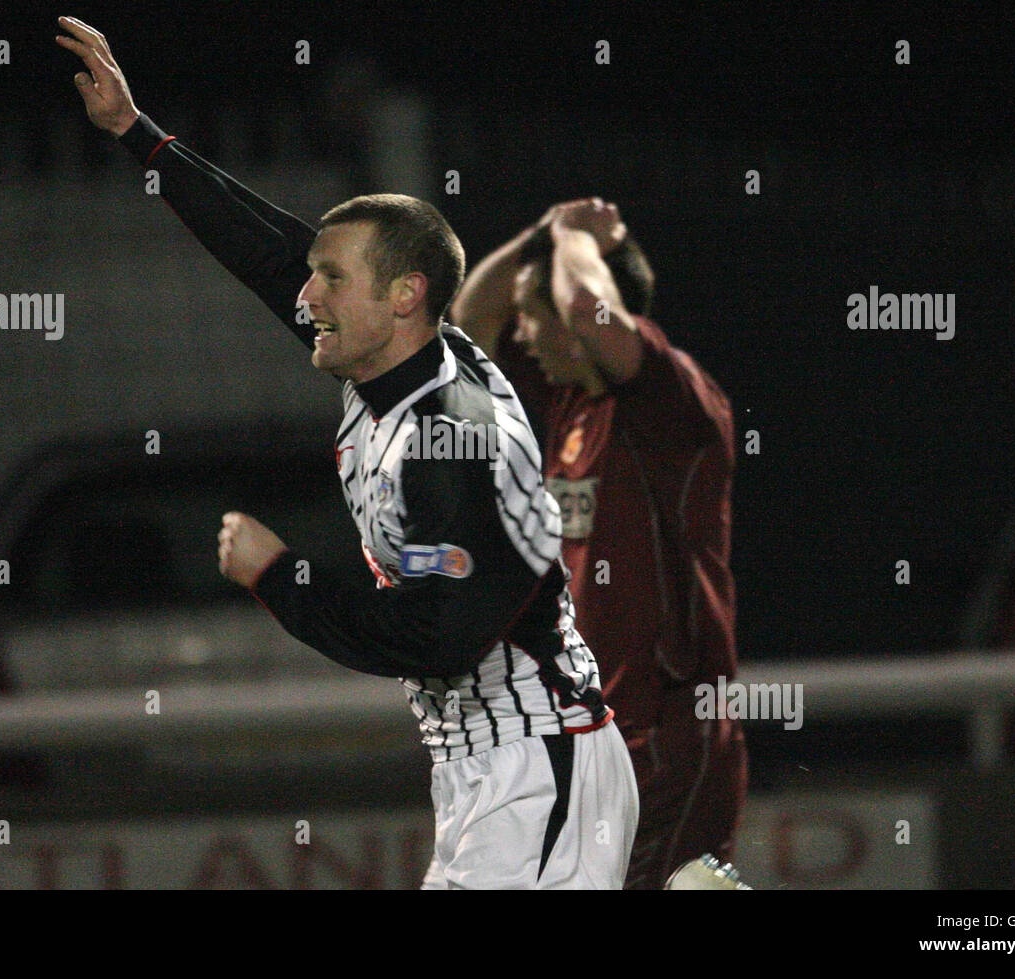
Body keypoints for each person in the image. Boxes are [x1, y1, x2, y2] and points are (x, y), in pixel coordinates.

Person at [56, 16, 637, 889]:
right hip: (489, 766)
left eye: (332, 278)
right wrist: (138, 135)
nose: (305, 292)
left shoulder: (452, 439)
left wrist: (280, 577)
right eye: (314, 273)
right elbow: (266, 248)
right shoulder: (390, 355)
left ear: (404, 298)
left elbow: (438, 636)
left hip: (539, 765)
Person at [449, 198, 747, 889]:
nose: (522, 328)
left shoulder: (674, 403)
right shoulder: (566, 405)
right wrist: (543, 231)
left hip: (667, 732)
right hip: (598, 738)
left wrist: (574, 239)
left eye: (535, 307)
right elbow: (470, 316)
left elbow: (589, 307)